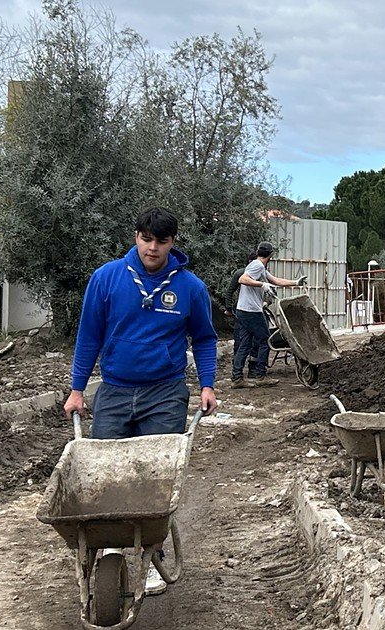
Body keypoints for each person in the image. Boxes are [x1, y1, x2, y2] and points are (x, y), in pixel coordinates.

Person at [62, 207, 218, 595]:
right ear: (136, 237)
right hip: (114, 390)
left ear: (172, 243)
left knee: (155, 478)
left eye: (161, 241)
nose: (152, 248)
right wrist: (77, 389)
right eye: (146, 239)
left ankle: (152, 555)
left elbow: (204, 339)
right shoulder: (107, 278)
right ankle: (112, 545)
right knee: (107, 472)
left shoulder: (190, 288)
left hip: (164, 393)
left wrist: (208, 385)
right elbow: (88, 336)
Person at [230, 241, 306, 387]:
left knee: (245, 343)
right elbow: (242, 279)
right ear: (271, 255)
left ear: (258, 251)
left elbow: (275, 280)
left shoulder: (259, 266)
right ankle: (260, 375)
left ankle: (237, 377)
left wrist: (296, 282)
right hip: (251, 310)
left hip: (243, 310)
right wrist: (262, 285)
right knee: (265, 339)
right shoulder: (257, 265)